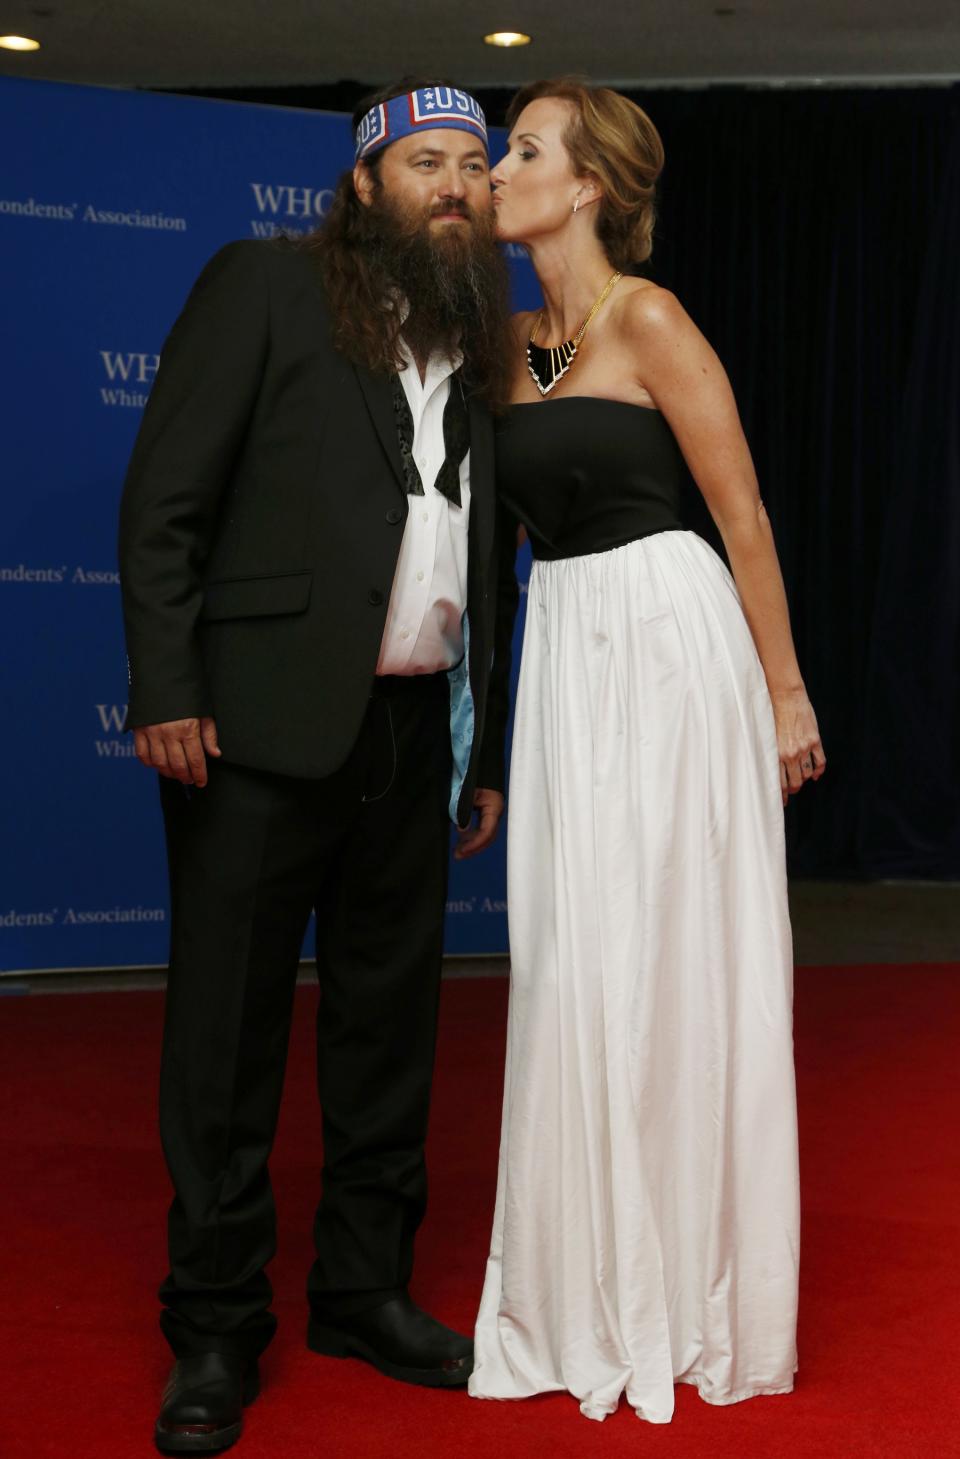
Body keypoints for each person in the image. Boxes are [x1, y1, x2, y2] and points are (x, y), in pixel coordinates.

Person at [118, 79, 514, 1454]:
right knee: (226, 1045)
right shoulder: (264, 291)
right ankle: (217, 1329)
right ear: (364, 186)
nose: (454, 184)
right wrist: (167, 687)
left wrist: (489, 749)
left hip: (413, 741)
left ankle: (362, 1291)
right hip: (256, 730)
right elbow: (165, 499)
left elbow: (489, 561)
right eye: (424, 162)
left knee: (386, 1036)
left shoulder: (482, 338)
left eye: (473, 162)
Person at [469, 79, 826, 1425]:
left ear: (591, 188)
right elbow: (497, 555)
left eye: (526, 152)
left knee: (672, 966)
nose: (502, 169)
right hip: (566, 659)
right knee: (577, 965)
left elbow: (742, 520)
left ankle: (691, 1290)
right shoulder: (515, 344)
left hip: (671, 650)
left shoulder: (650, 319)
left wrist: (786, 698)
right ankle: (590, 1287)